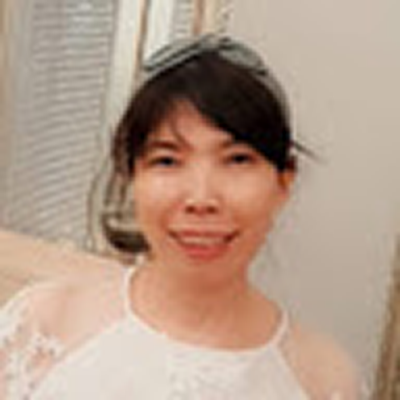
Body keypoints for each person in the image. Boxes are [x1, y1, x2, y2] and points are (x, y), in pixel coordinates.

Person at [0, 34, 362, 399]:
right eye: (168, 160)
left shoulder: (325, 380)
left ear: (284, 181)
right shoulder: (43, 326)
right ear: (131, 175)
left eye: (237, 160)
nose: (201, 198)